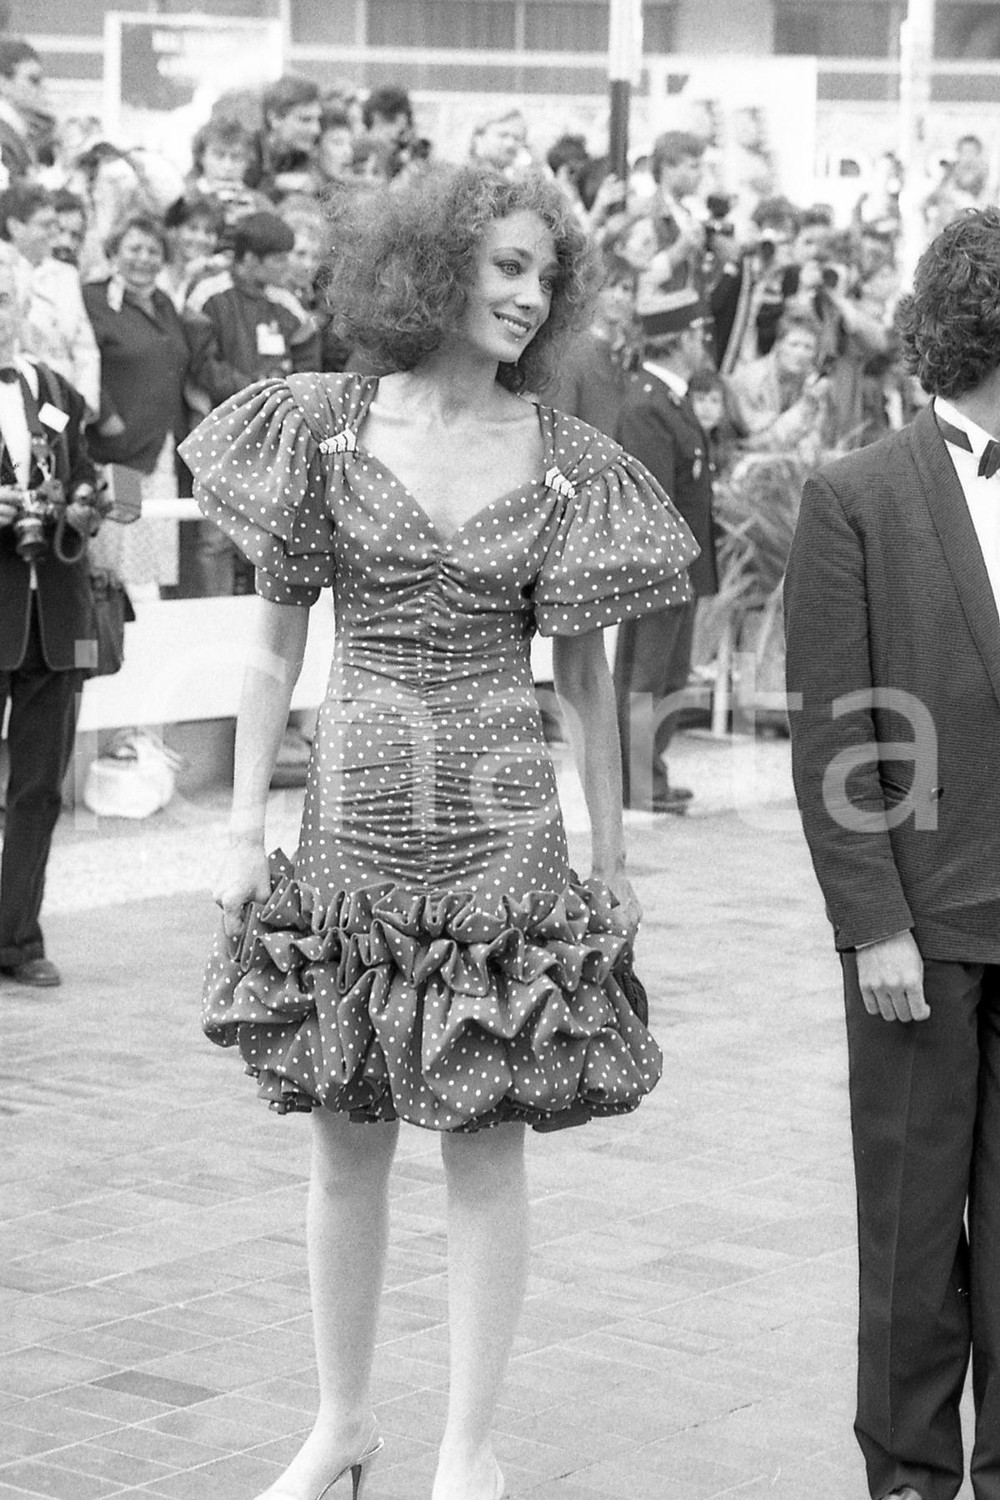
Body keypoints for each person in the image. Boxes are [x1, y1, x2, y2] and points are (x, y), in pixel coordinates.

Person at [180, 163, 697, 1500]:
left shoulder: (572, 464)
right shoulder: (327, 429)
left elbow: (583, 682)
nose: (529, 294)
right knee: (346, 1137)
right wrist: (240, 829)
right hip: (353, 813)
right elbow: (272, 643)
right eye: (505, 265)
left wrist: (613, 860)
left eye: (546, 273)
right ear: (433, 269)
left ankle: (469, 1450)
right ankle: (341, 1423)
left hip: (502, 829)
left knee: (485, 1139)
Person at [784, 207, 1000, 1500]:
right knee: (914, 1241)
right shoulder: (856, 496)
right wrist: (874, 923)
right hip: (918, 934)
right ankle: (912, 1477)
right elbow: (836, 731)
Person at [0, 245, 103, 988]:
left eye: (4, 296)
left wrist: (82, 504)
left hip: (54, 615)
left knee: (38, 788)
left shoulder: (53, 387)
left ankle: (17, 938)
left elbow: (96, 480)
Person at [613, 288, 718, 813]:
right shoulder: (648, 405)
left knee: (668, 677)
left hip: (680, 567)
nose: (705, 345)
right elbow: (655, 502)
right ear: (682, 339)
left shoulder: (667, 399)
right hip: (663, 568)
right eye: (701, 335)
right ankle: (638, 779)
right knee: (647, 677)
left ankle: (648, 771)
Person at [83, 215, 225, 598]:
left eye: (153, 251)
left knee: (152, 562)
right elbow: (83, 365)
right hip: (118, 455)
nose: (143, 259)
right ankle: (115, 653)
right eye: (134, 249)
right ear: (114, 252)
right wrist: (108, 418)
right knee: (119, 562)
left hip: (159, 451)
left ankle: (149, 648)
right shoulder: (93, 299)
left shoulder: (163, 303)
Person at [0, 180, 100, 414]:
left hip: (63, 400)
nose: (54, 233)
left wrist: (84, 405)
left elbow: (84, 346)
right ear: (15, 226)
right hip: (14, 396)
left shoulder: (65, 275)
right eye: (45, 225)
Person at [0, 38, 54, 184]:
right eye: (33, 80)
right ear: (3, 83)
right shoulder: (4, 137)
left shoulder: (21, 132)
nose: (42, 88)